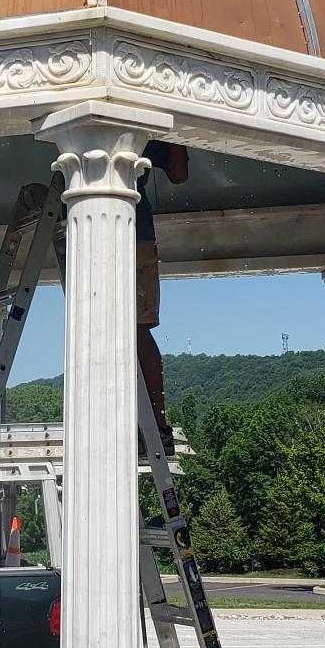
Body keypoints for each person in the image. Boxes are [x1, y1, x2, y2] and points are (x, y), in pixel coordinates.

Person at [136, 139, 189, 454]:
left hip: (131, 232)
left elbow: (179, 174)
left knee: (135, 329)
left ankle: (154, 426)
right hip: (131, 229)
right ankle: (153, 424)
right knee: (134, 329)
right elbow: (180, 174)